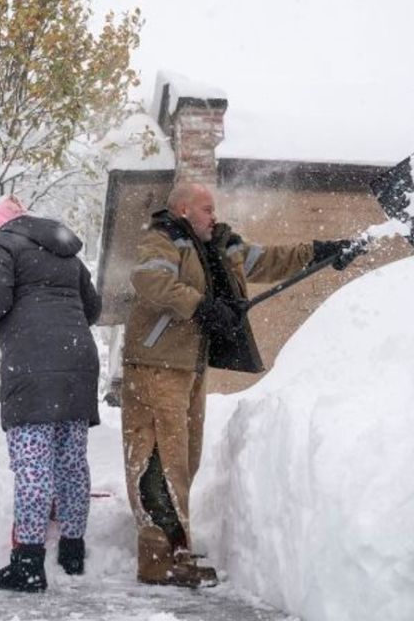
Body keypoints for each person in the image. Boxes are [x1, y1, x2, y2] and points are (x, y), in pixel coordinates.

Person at [120, 183, 360, 587]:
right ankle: (160, 560)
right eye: (206, 208)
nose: (214, 215)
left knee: (186, 459)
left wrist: (320, 251)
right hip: (155, 365)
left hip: (188, 367)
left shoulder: (219, 246)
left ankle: (176, 548)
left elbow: (266, 261)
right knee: (158, 459)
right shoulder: (163, 240)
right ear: (183, 209)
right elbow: (150, 281)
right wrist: (201, 306)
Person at [0, 195, 102, 593]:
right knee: (71, 462)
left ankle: (27, 564)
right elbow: (91, 309)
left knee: (33, 465)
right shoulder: (67, 252)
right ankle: (73, 552)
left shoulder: (2, 244)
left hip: (31, 362)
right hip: (77, 361)